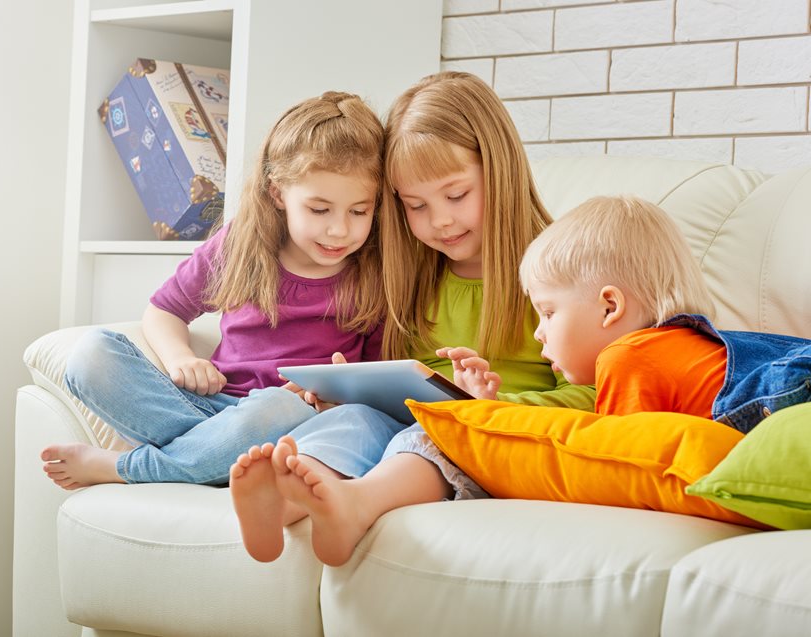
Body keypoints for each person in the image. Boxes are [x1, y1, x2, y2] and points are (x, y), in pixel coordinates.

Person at [229, 71, 596, 566]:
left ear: (499, 170)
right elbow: (400, 384)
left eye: (456, 195)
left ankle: (357, 504)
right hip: (416, 422)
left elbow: (595, 393)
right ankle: (287, 503)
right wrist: (350, 387)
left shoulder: (557, 268)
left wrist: (496, 406)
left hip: (502, 432)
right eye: (416, 205)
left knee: (433, 430)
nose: (439, 220)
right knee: (356, 419)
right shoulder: (412, 271)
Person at [41, 91, 390, 489]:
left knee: (277, 408)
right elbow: (163, 310)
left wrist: (339, 393)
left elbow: (376, 385)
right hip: (209, 405)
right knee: (91, 355)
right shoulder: (241, 244)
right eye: (319, 209)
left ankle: (130, 468)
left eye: (359, 211)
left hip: (292, 417)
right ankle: (212, 457)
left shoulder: (374, 273)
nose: (339, 229)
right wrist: (180, 357)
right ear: (278, 193)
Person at [517, 194, 811, 427]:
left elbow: (621, 461)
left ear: (610, 307)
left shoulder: (626, 357)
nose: (538, 333)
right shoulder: (684, 350)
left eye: (549, 313)